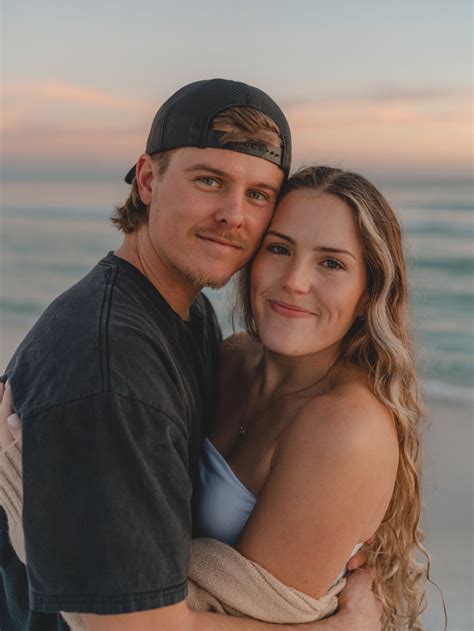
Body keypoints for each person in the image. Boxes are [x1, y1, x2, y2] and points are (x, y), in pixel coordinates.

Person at [0, 79, 381, 631]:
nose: (234, 214)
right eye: (210, 180)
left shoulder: (189, 318)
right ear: (149, 179)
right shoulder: (111, 362)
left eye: (258, 195)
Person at [193, 165, 431, 629]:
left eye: (331, 263)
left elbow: (235, 610)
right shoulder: (231, 359)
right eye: (278, 248)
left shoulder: (345, 427)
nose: (295, 281)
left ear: (370, 292)